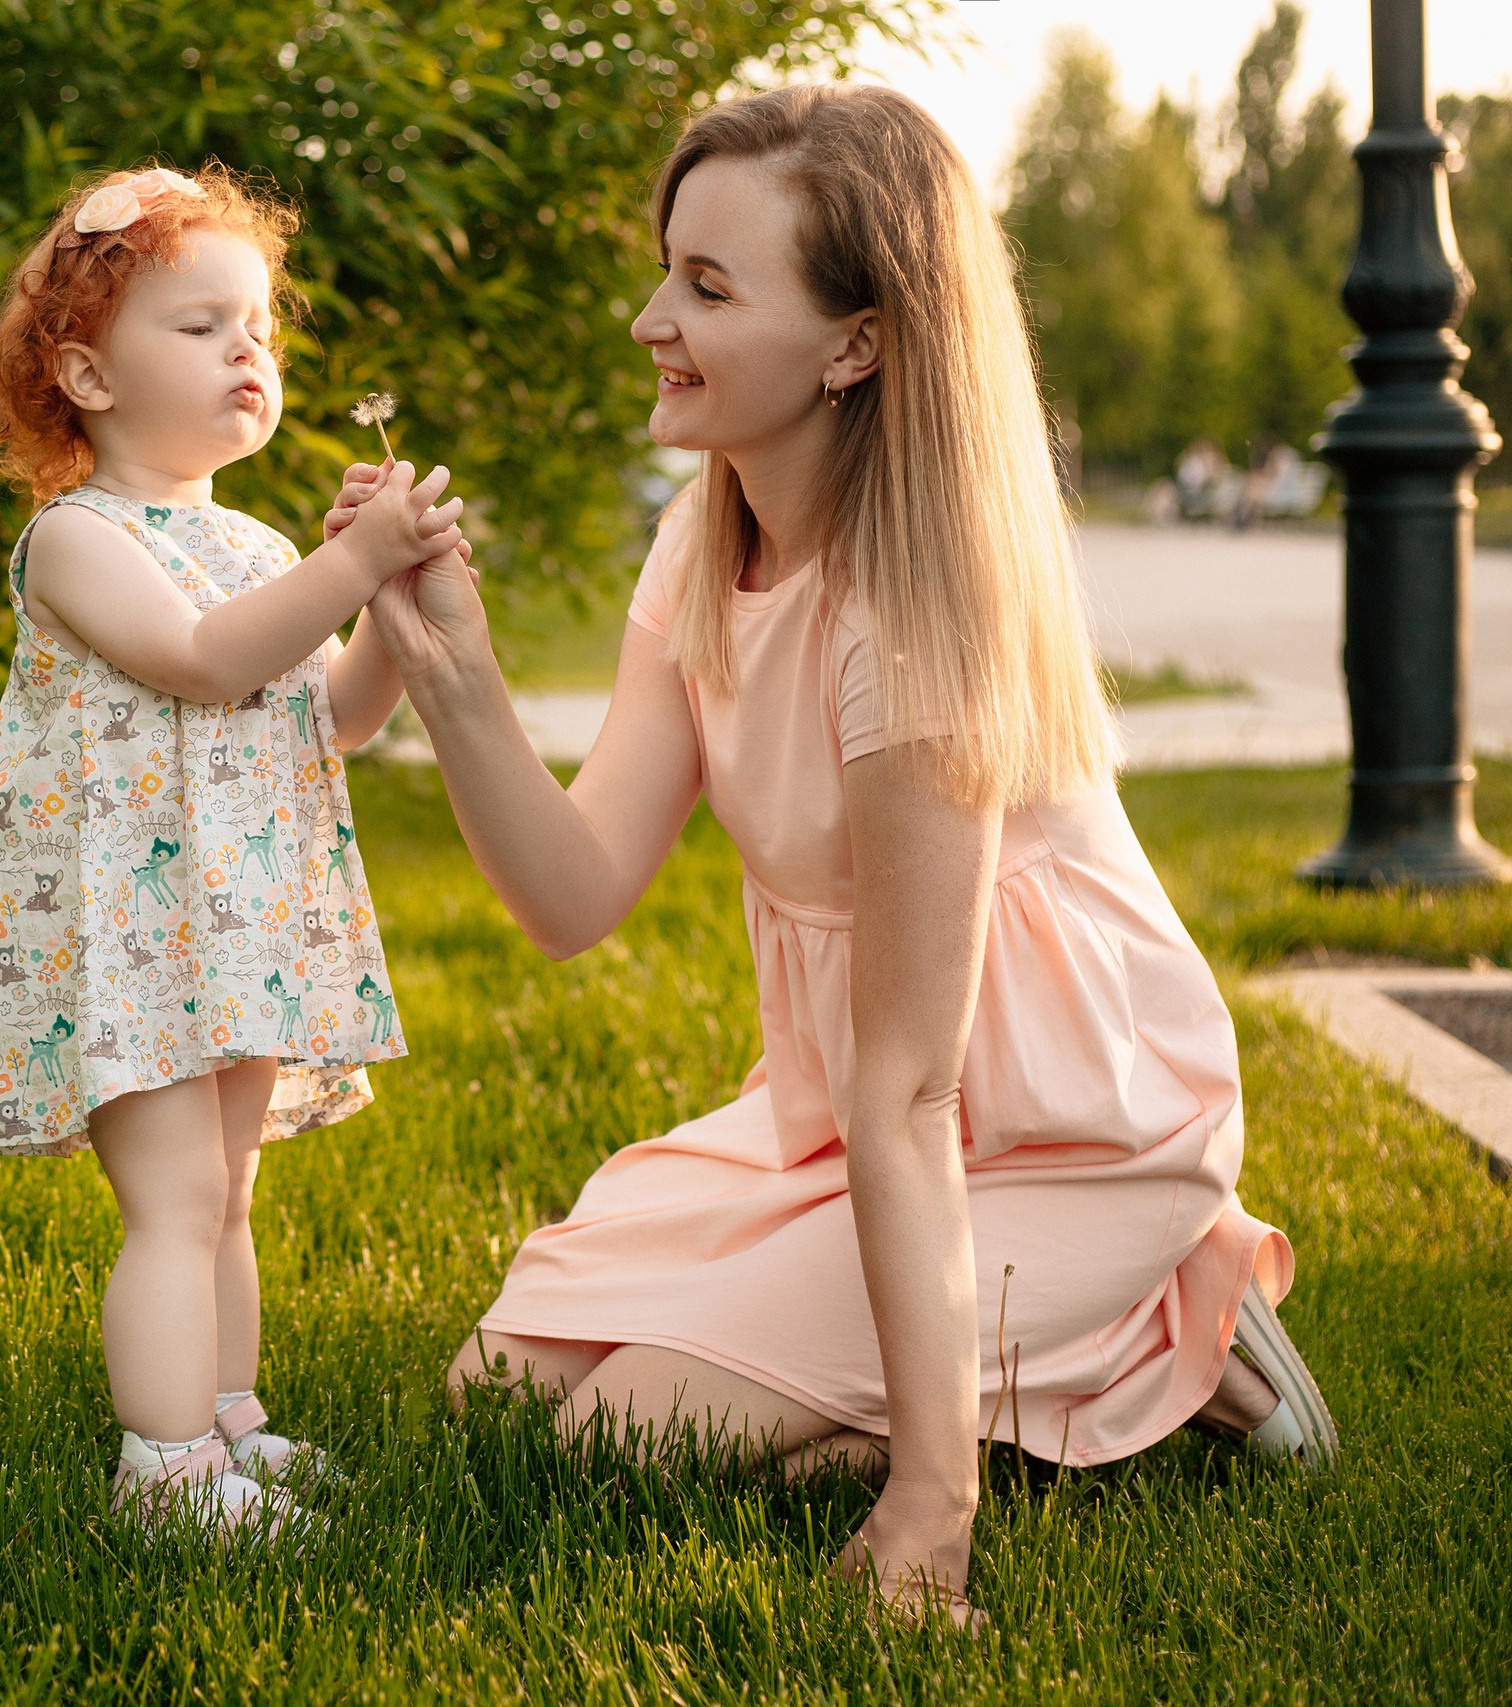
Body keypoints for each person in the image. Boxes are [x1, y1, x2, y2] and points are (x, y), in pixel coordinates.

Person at [328, 85, 1336, 1624]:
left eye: (708, 288)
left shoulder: (908, 620)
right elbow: (572, 896)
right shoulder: (701, 537)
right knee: (501, 1400)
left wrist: (929, 1510)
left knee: (619, 1444)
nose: (652, 319)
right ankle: (1073, 1350)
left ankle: (1150, 1332)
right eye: (666, 271)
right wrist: (450, 671)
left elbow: (914, 1090)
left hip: (1061, 1130)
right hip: (845, 1120)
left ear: (856, 344)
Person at [0, 164, 467, 1533]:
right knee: (176, 1203)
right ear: (88, 375)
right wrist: (347, 567)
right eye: (200, 327)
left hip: (235, 931)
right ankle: (165, 1468)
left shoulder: (252, 543)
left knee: (229, 1192)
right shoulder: (75, 541)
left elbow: (332, 717)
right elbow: (199, 663)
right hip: (135, 944)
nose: (247, 350)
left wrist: (391, 605)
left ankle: (228, 1417)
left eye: (258, 327)